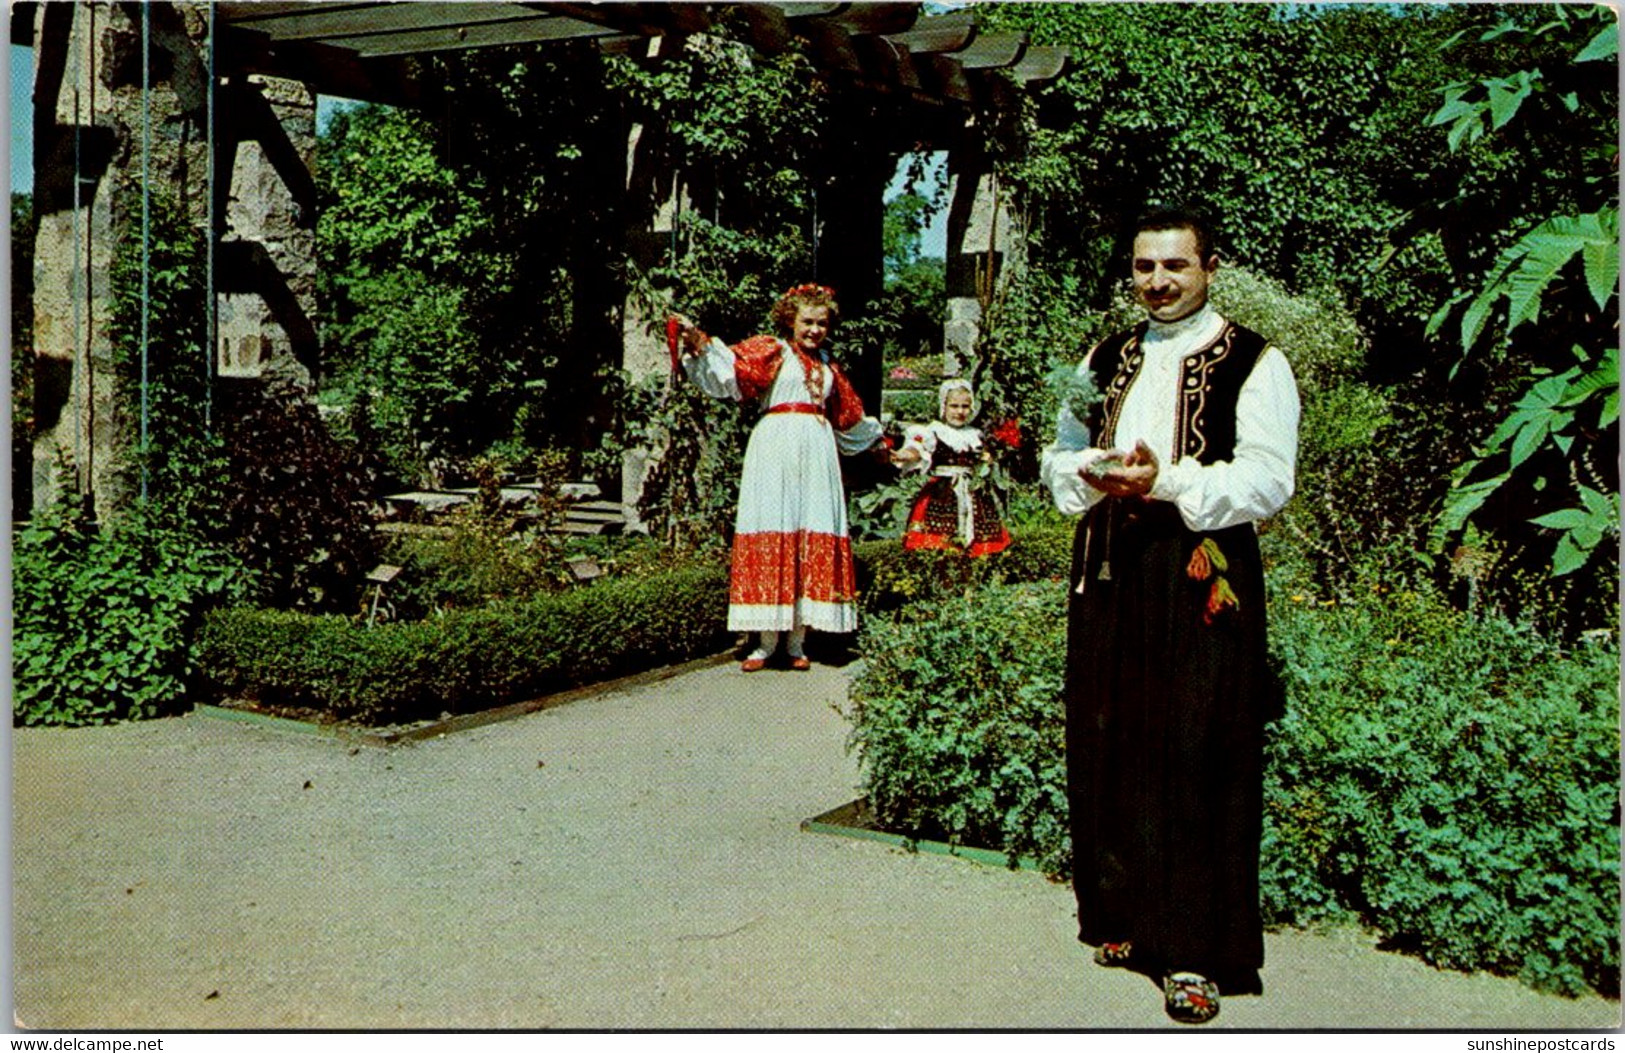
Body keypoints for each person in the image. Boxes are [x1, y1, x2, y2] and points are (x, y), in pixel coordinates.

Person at [1039, 209, 1300, 1024]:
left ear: (1209, 266)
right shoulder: (1103, 355)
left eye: (1174, 267)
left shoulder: (1255, 360)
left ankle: (1194, 949)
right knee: (1110, 734)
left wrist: (1169, 482)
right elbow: (1058, 455)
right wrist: (1093, 471)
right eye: (1143, 267)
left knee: (1197, 747)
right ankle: (1121, 916)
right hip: (1112, 565)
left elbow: (1267, 479)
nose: (1156, 282)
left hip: (1199, 572)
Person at [674, 284, 885, 672]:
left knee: (808, 528)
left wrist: (890, 447)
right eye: (807, 321)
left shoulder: (828, 368)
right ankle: (764, 643)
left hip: (817, 448)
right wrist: (697, 340)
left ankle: (797, 642)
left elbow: (851, 420)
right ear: (792, 320)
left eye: (822, 323)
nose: (815, 330)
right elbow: (732, 369)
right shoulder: (773, 350)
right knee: (775, 523)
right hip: (776, 444)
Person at [891, 378, 1012, 557]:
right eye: (954, 406)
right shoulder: (934, 431)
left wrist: (989, 458)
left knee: (980, 540)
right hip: (942, 490)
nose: (959, 411)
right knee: (939, 542)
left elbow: (984, 458)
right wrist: (904, 455)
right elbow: (918, 449)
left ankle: (972, 575)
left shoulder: (975, 434)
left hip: (972, 490)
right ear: (944, 406)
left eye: (964, 406)